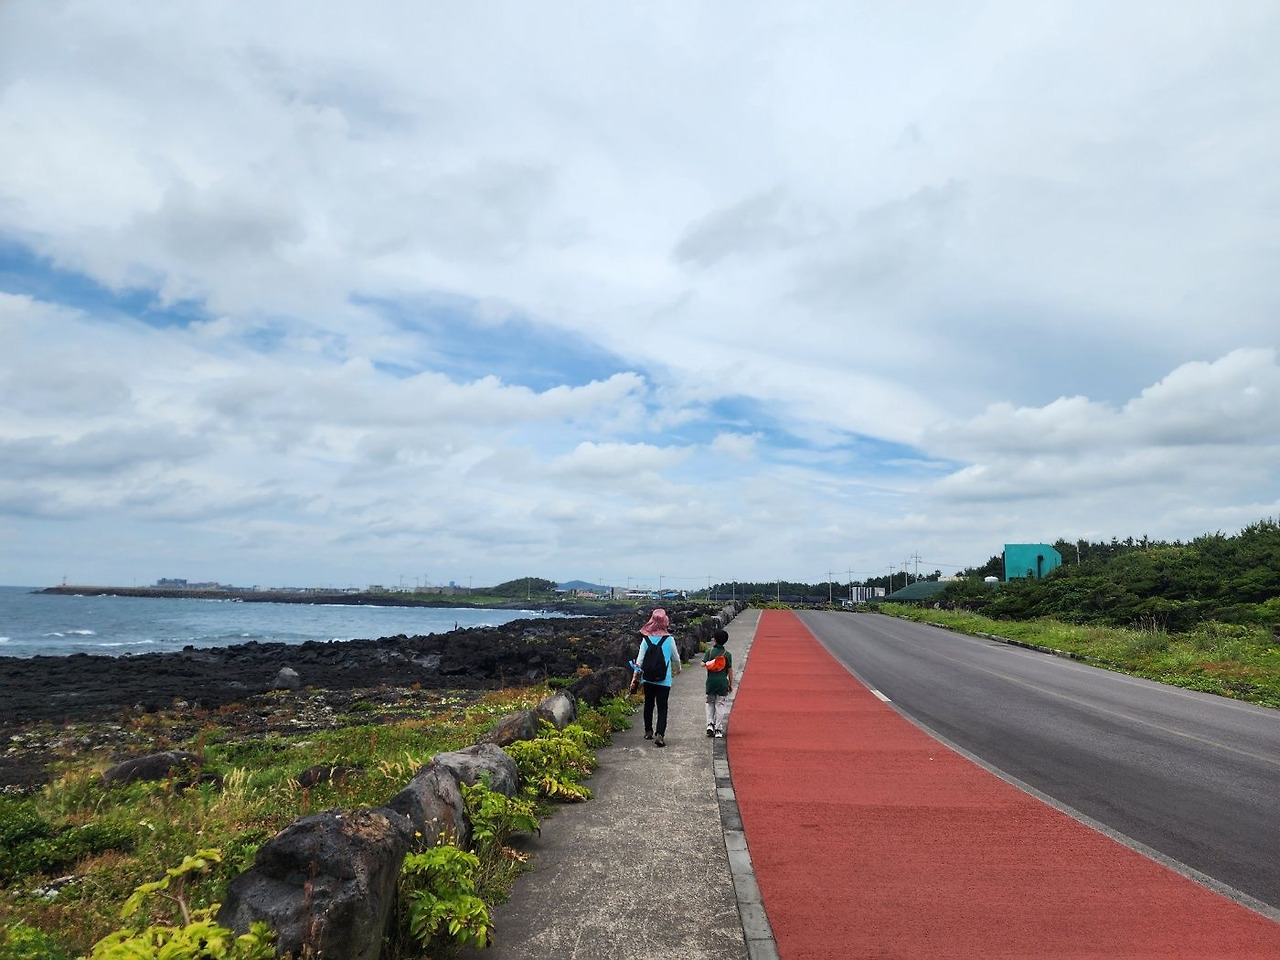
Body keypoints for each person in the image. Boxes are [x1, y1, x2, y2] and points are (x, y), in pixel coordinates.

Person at [630, 608, 681, 747]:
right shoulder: (669, 640)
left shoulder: (646, 640)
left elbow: (639, 662)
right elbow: (676, 659)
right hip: (664, 680)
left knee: (648, 704)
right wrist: (678, 670)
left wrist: (634, 679)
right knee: (662, 707)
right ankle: (660, 734)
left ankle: (648, 731)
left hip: (648, 678)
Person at [702, 628, 734, 738]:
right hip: (722, 683)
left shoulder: (709, 652)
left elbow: (703, 664)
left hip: (711, 682)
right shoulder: (727, 654)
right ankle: (718, 729)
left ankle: (710, 724)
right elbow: (730, 671)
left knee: (710, 703)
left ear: (714, 639)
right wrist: (731, 684)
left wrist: (710, 663)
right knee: (720, 705)